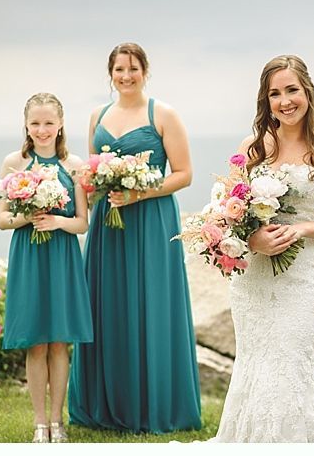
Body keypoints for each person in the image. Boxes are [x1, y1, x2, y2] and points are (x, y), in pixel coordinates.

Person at [211, 55, 314, 443]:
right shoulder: (253, 147)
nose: (284, 100)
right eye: (275, 93)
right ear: (266, 100)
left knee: (294, 362)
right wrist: (253, 238)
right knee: (256, 363)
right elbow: (230, 212)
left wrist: (302, 228)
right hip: (254, 278)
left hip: (303, 277)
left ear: (308, 91)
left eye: (291, 90)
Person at [67, 42, 201, 433]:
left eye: (133, 69)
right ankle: (107, 404)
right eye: (119, 70)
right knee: (108, 304)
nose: (126, 76)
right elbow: (92, 172)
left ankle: (154, 403)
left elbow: (184, 173)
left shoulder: (163, 113)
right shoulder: (98, 115)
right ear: (110, 74)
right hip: (110, 224)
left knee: (151, 303)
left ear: (146, 71)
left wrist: (139, 191)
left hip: (151, 220)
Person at [0, 93, 93, 442]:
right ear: (26, 124)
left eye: (49, 122)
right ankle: (39, 423)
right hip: (29, 257)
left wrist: (56, 221)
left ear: (61, 123)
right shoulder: (14, 162)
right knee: (36, 342)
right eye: (35, 123)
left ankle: (57, 422)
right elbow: (2, 220)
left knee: (59, 343)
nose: (42, 129)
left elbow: (82, 223)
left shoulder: (75, 165)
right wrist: (27, 215)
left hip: (63, 256)